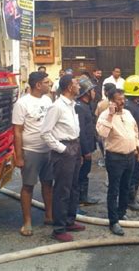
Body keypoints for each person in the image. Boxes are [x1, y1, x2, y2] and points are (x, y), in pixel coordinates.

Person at [41, 75, 85, 242]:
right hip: (64, 149)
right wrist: (62, 149)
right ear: (68, 87)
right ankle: (58, 229)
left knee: (74, 187)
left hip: (75, 145)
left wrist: (77, 150)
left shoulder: (72, 105)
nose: (79, 86)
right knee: (62, 190)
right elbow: (45, 132)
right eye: (76, 84)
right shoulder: (57, 107)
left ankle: (69, 221)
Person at [96, 88, 139, 236]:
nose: (122, 102)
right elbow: (102, 134)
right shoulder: (105, 116)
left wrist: (138, 149)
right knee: (114, 189)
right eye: (118, 99)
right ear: (111, 101)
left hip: (130, 156)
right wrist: (110, 114)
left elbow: (135, 132)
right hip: (115, 158)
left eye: (123, 99)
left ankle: (122, 212)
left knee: (125, 186)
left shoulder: (128, 113)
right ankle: (113, 221)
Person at [12, 72, 53, 237]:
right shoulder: (22, 104)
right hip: (31, 151)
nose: (49, 85)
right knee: (28, 186)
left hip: (48, 150)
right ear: (38, 85)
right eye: (46, 82)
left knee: (48, 184)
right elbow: (17, 131)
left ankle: (49, 216)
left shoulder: (48, 100)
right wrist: (19, 156)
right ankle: (27, 221)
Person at [123, 76, 139, 212]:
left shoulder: (134, 104)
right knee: (134, 173)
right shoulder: (129, 107)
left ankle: (133, 196)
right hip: (136, 146)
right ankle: (130, 200)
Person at [75, 77, 100, 209]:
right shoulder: (80, 107)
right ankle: (79, 200)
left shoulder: (86, 106)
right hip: (83, 150)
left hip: (88, 147)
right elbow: (81, 132)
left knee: (85, 173)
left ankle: (83, 197)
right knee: (81, 174)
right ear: (86, 93)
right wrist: (86, 151)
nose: (94, 93)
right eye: (92, 90)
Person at [95, 83, 117, 168]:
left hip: (104, 130)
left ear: (107, 92)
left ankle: (105, 160)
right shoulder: (121, 103)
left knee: (104, 148)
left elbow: (97, 117)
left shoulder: (101, 104)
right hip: (115, 131)